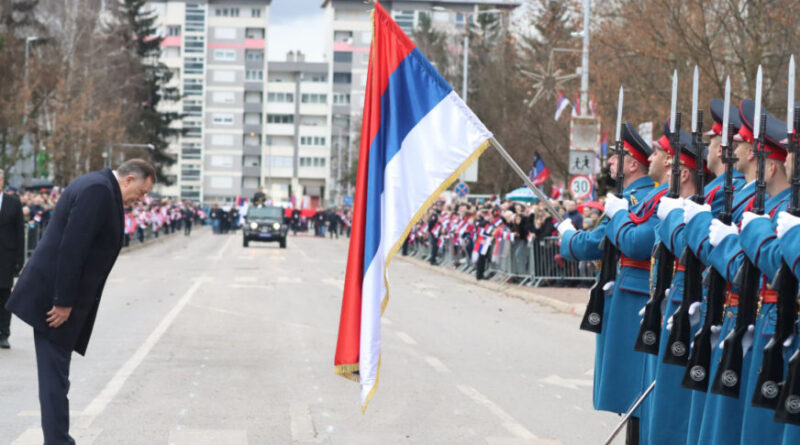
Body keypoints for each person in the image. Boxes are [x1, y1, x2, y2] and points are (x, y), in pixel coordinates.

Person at [5, 159, 155, 445]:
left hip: (58, 296)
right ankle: (58, 441)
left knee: (56, 377)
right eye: (143, 191)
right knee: (55, 379)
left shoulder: (99, 187)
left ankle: (58, 439)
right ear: (129, 179)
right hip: (54, 301)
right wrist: (63, 301)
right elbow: (73, 247)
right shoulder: (98, 191)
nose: (142, 198)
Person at [557, 122, 656, 442]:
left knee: (635, 386)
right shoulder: (631, 197)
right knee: (633, 388)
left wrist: (567, 237)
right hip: (628, 292)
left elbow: (595, 243)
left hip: (634, 297)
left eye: (617, 156)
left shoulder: (635, 200)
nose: (610, 162)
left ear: (632, 164)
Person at [0, 169, 25, 349]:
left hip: (5, 258)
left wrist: (19, 261)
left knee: (3, 297)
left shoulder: (13, 203)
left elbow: (19, 233)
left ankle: (3, 333)